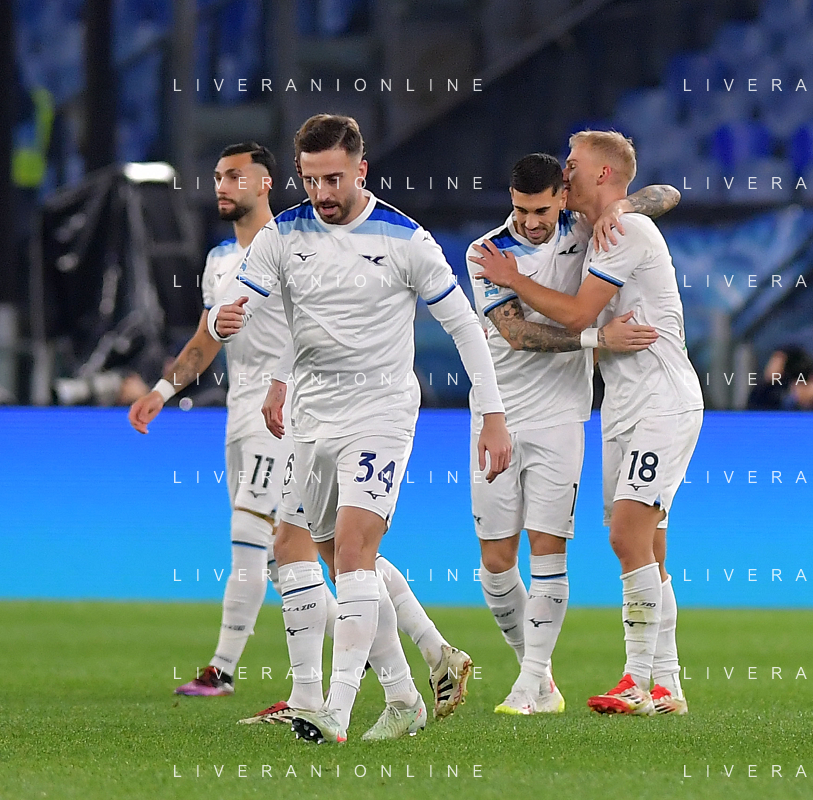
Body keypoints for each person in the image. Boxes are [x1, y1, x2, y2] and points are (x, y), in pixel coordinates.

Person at [211, 114, 511, 744]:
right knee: (312, 550)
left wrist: (491, 414)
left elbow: (465, 326)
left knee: (352, 548)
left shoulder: (406, 239)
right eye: (311, 179)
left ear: (362, 170)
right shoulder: (283, 233)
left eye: (335, 178)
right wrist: (226, 326)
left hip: (381, 411)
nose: (322, 192)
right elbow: (250, 305)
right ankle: (406, 692)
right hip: (311, 415)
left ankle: (334, 708)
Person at [472, 130, 703, 716]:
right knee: (649, 545)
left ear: (600, 174)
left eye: (573, 164)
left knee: (625, 535)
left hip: (661, 401)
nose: (565, 171)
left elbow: (578, 314)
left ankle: (637, 679)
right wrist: (617, 209)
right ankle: (668, 684)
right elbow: (660, 194)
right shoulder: (585, 230)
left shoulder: (623, 229)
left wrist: (517, 279)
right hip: (620, 406)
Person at [129, 142, 284, 698]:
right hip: (240, 414)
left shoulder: (291, 247)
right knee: (281, 555)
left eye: (236, 176)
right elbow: (205, 340)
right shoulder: (219, 260)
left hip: (284, 414)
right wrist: (162, 391)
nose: (222, 185)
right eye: (218, 176)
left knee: (250, 533)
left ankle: (222, 669)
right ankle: (378, 651)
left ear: (264, 183)